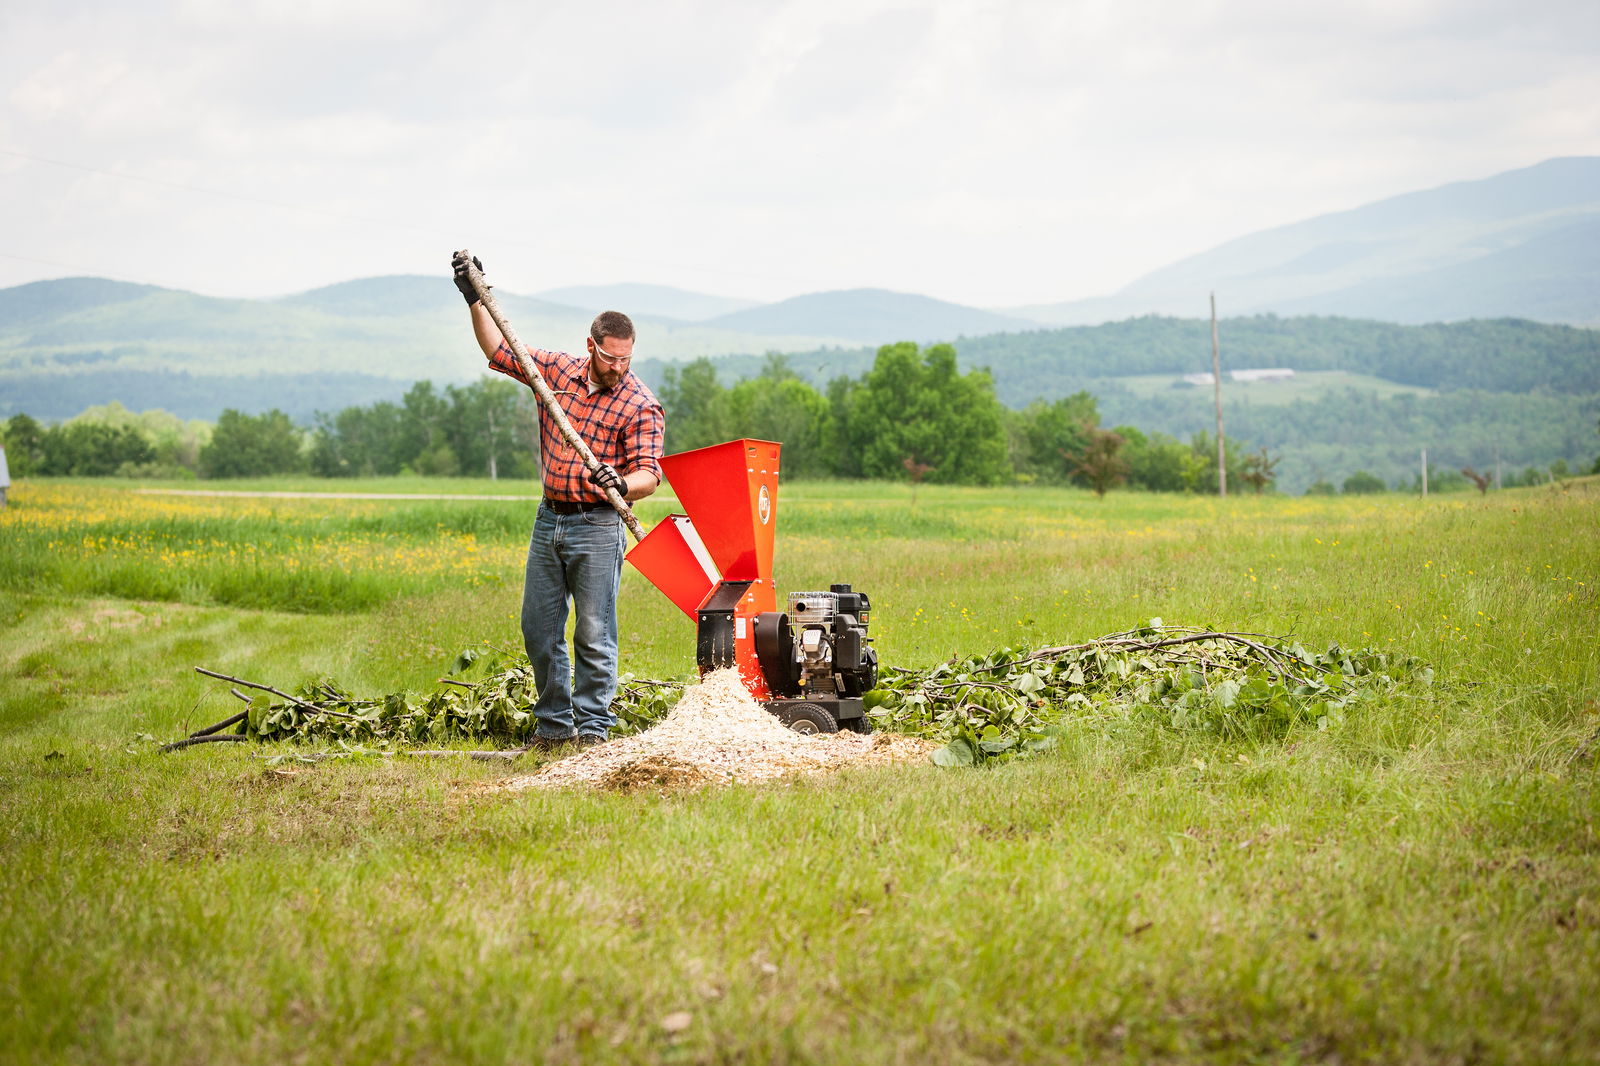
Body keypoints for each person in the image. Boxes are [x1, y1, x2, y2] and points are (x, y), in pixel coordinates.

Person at [452, 252, 664, 751]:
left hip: (598, 525)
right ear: (590, 346)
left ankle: (593, 732)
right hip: (550, 519)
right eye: (610, 357)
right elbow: (500, 350)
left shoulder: (640, 403)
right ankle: (553, 727)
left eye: (626, 359)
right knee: (539, 628)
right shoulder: (555, 371)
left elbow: (650, 475)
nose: (618, 367)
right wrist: (474, 298)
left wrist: (621, 482)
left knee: (594, 633)